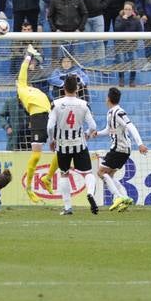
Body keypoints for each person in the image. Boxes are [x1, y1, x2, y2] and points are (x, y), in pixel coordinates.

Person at [47, 73, 99, 216]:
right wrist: (87, 134)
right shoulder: (84, 104)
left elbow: (50, 127)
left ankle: (68, 207)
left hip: (63, 145)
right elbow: (93, 126)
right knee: (88, 173)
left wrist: (51, 140)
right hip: (79, 144)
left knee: (64, 174)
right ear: (77, 88)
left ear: (63, 88)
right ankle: (90, 193)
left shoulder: (56, 104)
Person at [15, 46, 53, 203]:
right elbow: (23, 72)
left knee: (62, 151)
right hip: (37, 118)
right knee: (36, 155)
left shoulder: (37, 90)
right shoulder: (22, 89)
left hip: (51, 116)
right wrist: (28, 56)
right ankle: (29, 188)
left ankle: (47, 178)